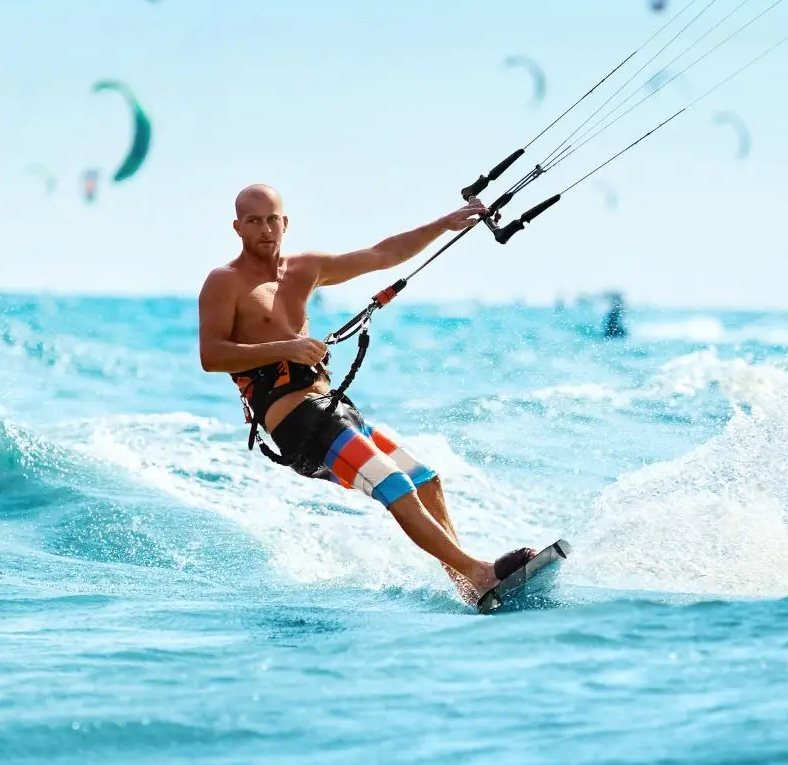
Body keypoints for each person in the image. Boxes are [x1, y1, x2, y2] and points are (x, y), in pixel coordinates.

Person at [197, 183, 536, 603]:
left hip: (334, 409)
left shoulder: (306, 268)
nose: (265, 229)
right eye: (253, 221)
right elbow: (211, 356)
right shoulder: (224, 282)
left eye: (272, 220)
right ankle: (480, 573)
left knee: (426, 481)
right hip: (296, 423)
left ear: (285, 223)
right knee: (393, 484)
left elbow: (382, 255)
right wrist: (287, 347)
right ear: (238, 227)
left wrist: (445, 224)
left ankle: (468, 585)